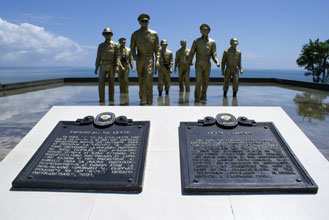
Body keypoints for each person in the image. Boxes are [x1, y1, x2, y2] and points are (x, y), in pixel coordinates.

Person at [130, 13, 160, 105]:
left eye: (146, 21)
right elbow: (132, 47)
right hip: (140, 57)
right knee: (141, 79)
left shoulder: (154, 34)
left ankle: (150, 99)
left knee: (149, 79)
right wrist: (134, 56)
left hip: (150, 57)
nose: (144, 22)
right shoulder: (135, 34)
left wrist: (157, 60)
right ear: (139, 22)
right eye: (142, 21)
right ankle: (142, 98)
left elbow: (157, 49)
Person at [188, 24, 220, 103]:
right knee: (198, 81)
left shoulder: (212, 42)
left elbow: (214, 53)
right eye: (202, 30)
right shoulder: (196, 41)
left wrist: (217, 61)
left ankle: (203, 97)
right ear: (200, 31)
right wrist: (189, 61)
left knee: (206, 81)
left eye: (206, 30)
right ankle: (196, 98)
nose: (204, 31)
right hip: (199, 62)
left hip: (207, 63)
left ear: (209, 31)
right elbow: (192, 52)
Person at [94, 28, 121, 104]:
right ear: (103, 35)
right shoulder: (101, 46)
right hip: (102, 65)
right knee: (101, 83)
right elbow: (98, 57)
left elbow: (118, 56)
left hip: (111, 65)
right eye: (106, 34)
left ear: (111, 35)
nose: (107, 35)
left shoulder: (115, 45)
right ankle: (101, 99)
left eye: (109, 33)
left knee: (111, 84)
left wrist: (117, 65)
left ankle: (111, 100)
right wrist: (96, 68)